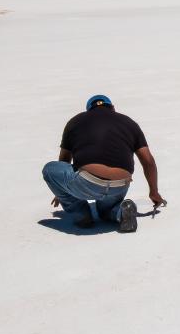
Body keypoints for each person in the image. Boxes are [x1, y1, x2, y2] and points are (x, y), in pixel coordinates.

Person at [43, 94, 166, 232]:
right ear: (112, 108)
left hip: (88, 182)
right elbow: (148, 161)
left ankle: (81, 214)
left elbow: (64, 160)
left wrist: (62, 190)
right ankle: (121, 211)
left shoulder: (75, 121)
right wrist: (154, 192)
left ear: (88, 110)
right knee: (106, 211)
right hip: (120, 184)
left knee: (49, 169)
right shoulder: (129, 123)